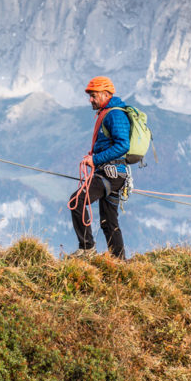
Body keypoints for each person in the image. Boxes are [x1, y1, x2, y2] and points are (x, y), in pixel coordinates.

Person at [69, 76, 131, 258]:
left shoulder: (115, 114)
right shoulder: (109, 113)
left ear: (105, 94)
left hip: (110, 174)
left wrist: (95, 160)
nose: (90, 99)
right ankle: (120, 261)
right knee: (108, 221)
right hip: (113, 174)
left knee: (77, 201)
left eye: (93, 95)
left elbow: (123, 145)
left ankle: (87, 248)